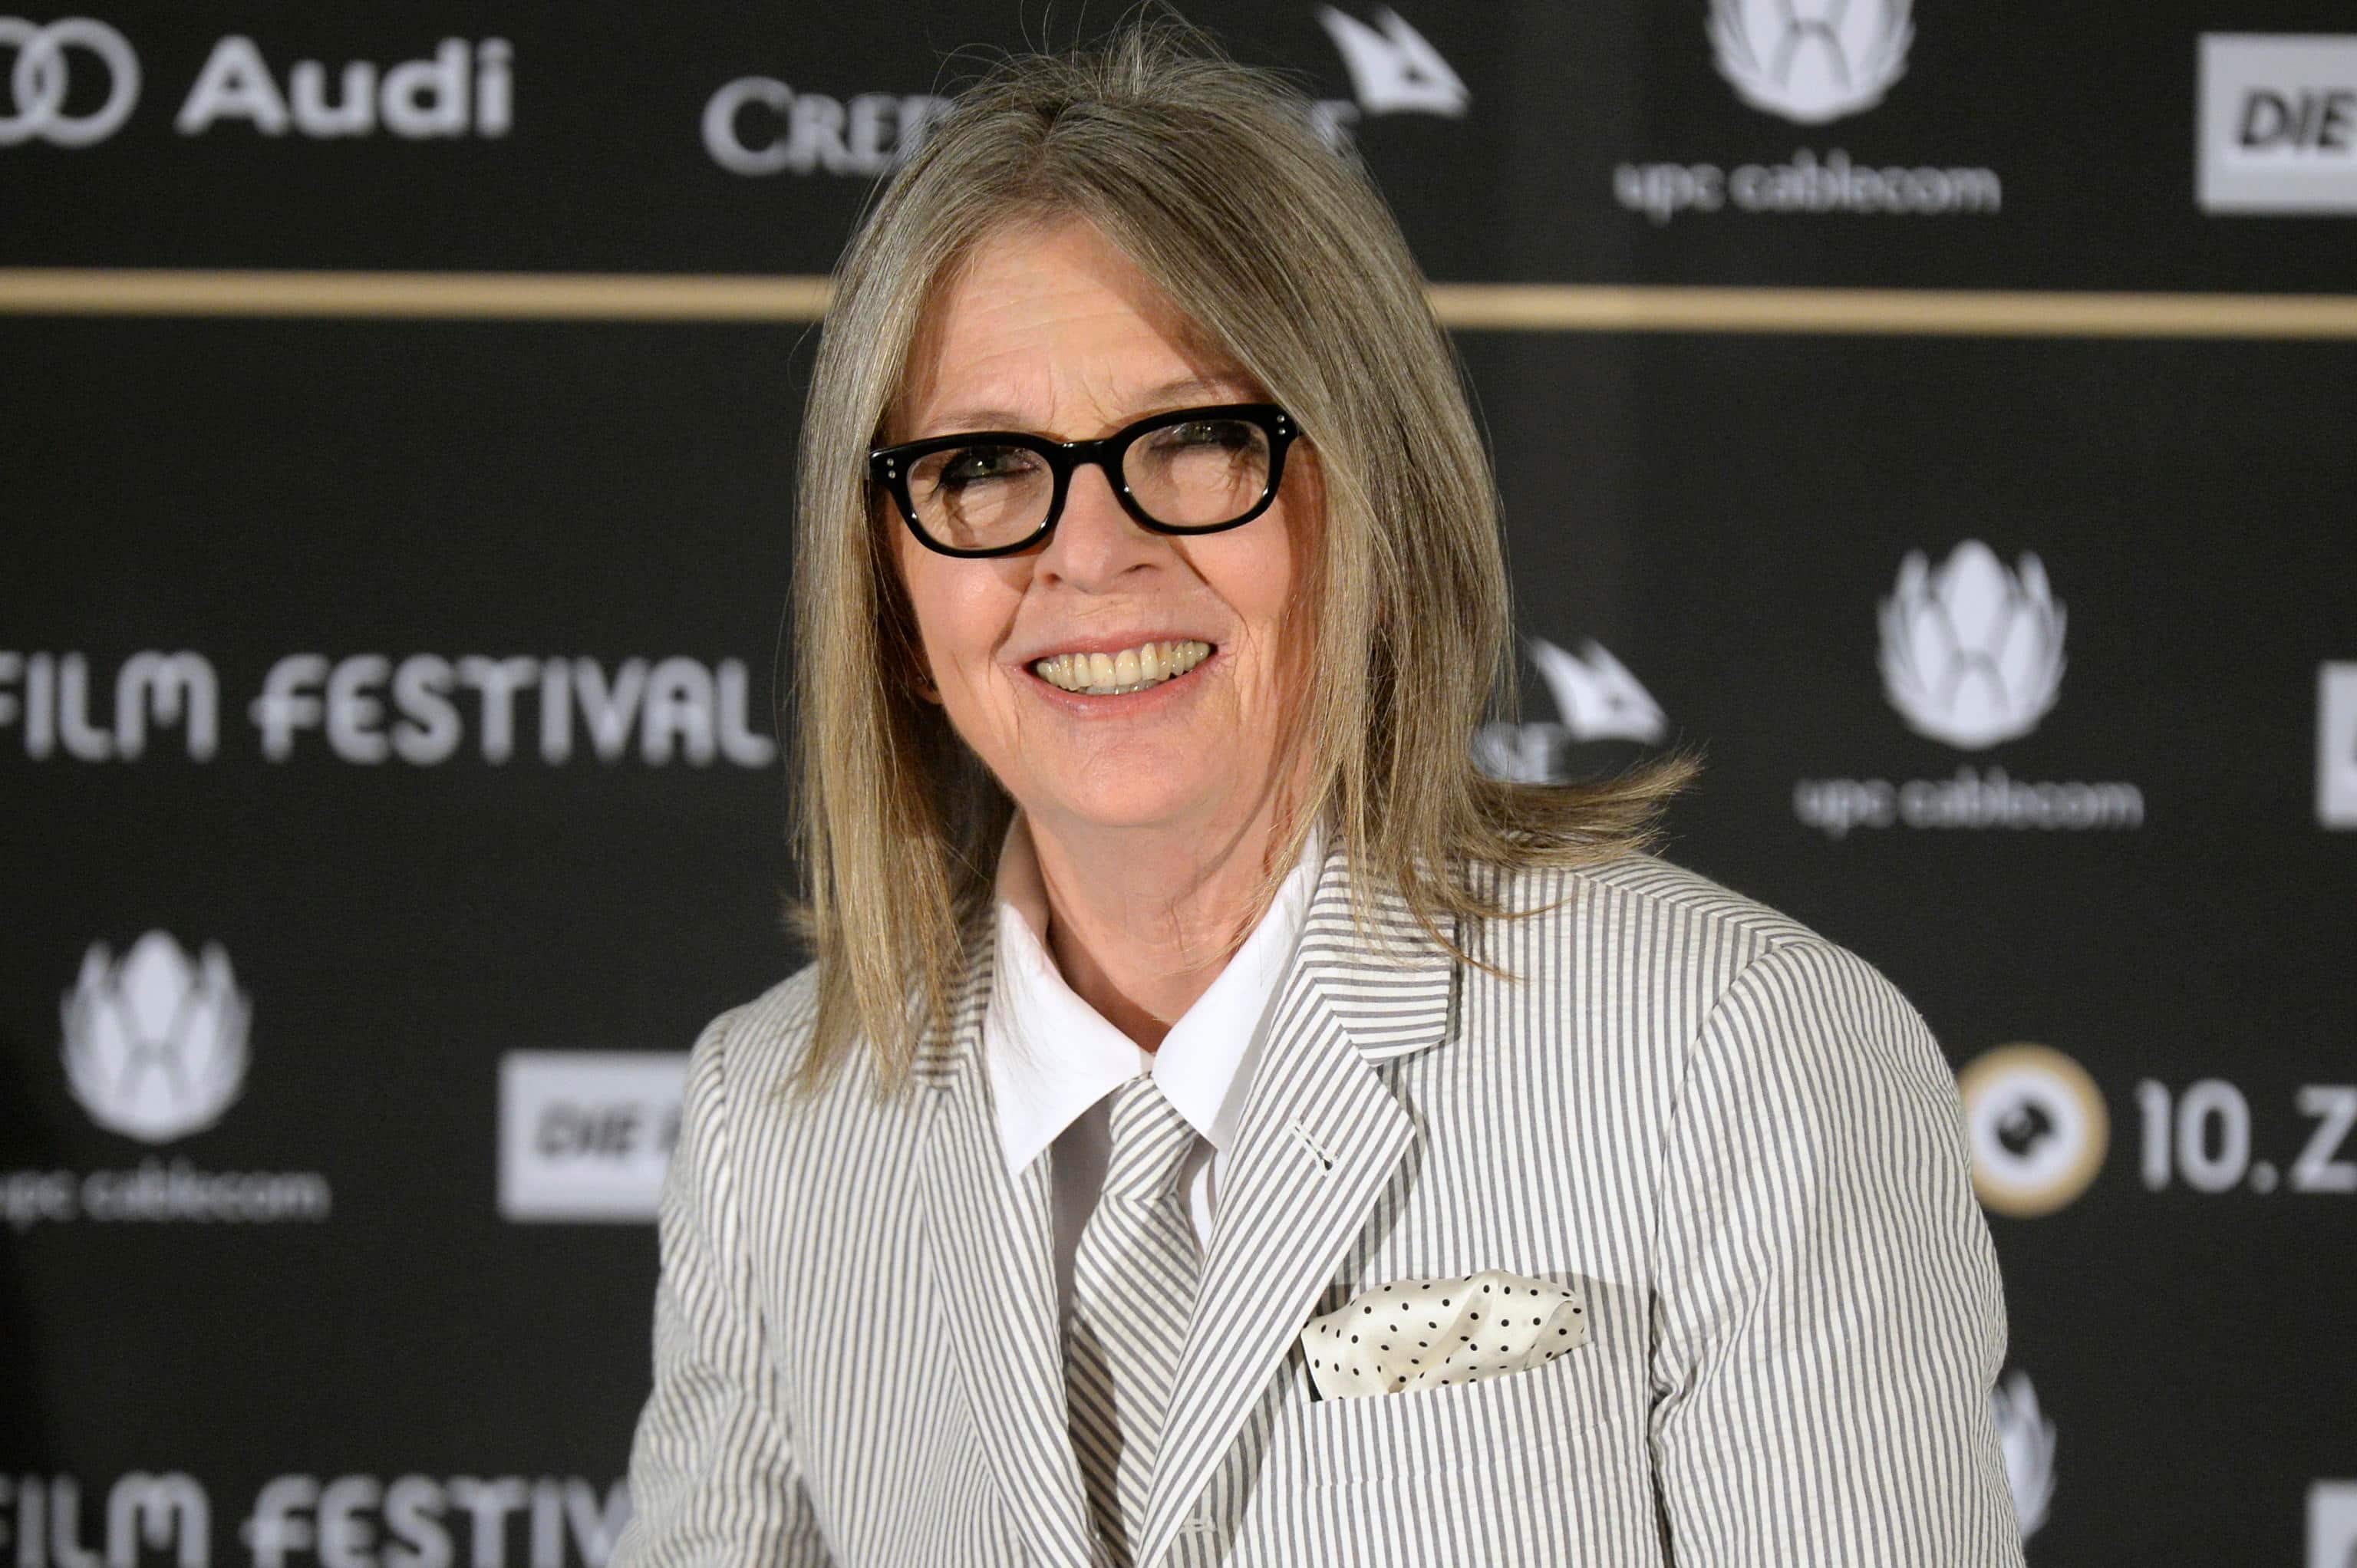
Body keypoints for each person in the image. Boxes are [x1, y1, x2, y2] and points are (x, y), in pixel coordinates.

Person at [611, 21, 2022, 1568]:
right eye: (984, 466)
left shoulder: (1739, 1053)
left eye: (1201, 437)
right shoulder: (776, 1118)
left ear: (1377, 500)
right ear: (889, 581)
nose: (1087, 555)